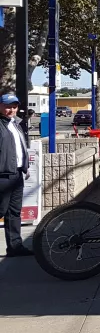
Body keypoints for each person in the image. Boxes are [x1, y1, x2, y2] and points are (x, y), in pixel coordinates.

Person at [0, 94, 33, 257]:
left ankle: (15, 246)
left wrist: (25, 167)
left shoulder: (16, 124)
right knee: (1, 210)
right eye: (7, 106)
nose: (11, 109)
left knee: (14, 212)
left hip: (17, 173)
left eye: (14, 106)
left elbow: (20, 149)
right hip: (3, 175)